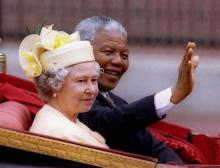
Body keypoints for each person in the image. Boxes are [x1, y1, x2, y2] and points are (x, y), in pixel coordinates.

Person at [75, 16, 199, 164]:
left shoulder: (116, 101)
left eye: (124, 55)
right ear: (81, 52)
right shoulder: (72, 96)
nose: (118, 61)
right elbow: (109, 122)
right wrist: (175, 93)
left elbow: (154, 146)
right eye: (108, 52)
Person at [18, 25, 108, 148]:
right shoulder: (60, 134)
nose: (92, 89)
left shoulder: (67, 119)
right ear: (54, 84)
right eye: (81, 81)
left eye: (94, 80)